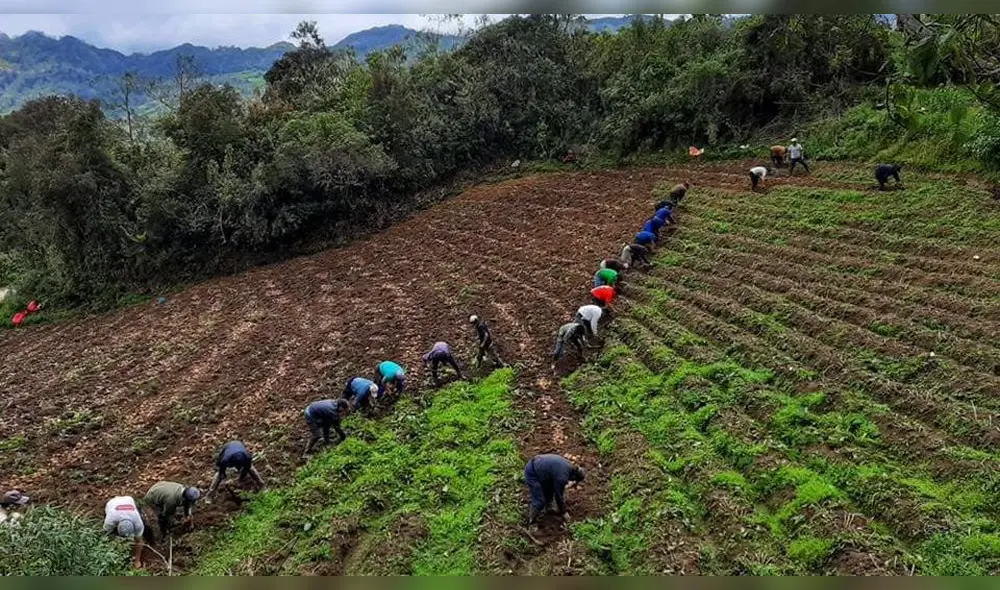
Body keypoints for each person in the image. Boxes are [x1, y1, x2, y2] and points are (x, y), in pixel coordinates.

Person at [523, 454, 585, 525]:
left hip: (539, 465)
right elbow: (558, 496)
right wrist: (564, 512)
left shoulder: (568, 466)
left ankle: (548, 506)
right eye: (574, 480)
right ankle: (531, 521)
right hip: (532, 473)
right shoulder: (562, 477)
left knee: (550, 487)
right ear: (574, 476)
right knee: (539, 500)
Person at [103, 495, 150, 568]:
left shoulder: (138, 523)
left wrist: (137, 560)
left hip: (129, 500)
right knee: (111, 532)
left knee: (142, 515)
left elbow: (139, 541)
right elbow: (106, 535)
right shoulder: (110, 519)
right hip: (112, 503)